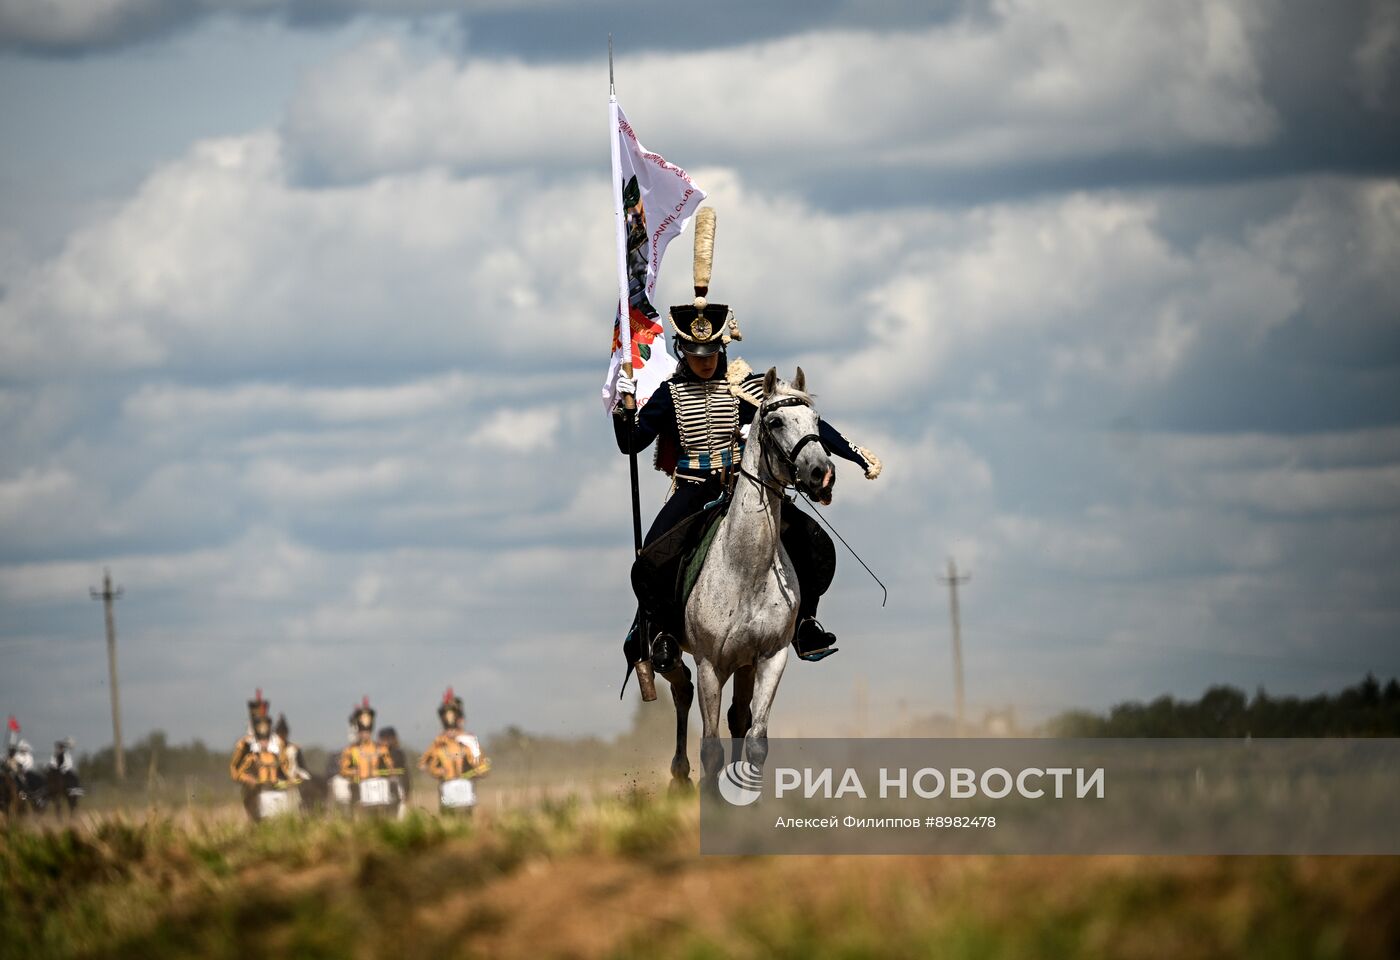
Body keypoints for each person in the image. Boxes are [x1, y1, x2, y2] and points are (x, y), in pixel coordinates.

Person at [611, 213, 881, 681]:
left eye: (711, 353)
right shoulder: (668, 395)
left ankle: (805, 624)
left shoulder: (744, 388)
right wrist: (625, 409)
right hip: (692, 489)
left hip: (744, 487)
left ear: (721, 348)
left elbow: (800, 423)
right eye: (696, 356)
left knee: (814, 545)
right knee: (649, 563)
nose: (704, 362)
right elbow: (632, 444)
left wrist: (852, 455)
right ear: (683, 352)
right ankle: (656, 636)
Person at [419, 688, 490, 811]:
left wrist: (475, 772)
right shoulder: (438, 742)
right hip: (446, 789)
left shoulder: (470, 740)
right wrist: (438, 771)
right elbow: (423, 764)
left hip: (467, 791)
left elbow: (484, 767)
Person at [229, 691, 290, 821]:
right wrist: (249, 779)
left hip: (276, 790)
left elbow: (285, 768)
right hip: (254, 792)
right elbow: (235, 771)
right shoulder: (244, 744)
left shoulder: (277, 743)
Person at [339, 697, 399, 815]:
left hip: (379, 786)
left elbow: (390, 766)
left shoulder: (381, 748)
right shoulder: (351, 750)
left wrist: (388, 772)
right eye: (362, 732)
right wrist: (353, 772)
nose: (365, 734)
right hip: (359, 786)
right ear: (358, 732)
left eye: (367, 732)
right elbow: (343, 770)